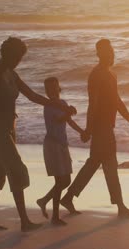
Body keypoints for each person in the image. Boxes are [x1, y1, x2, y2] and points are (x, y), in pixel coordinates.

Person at [0, 37, 76, 232]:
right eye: (18, 57)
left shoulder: (12, 74)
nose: (19, 61)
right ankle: (24, 222)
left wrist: (56, 103)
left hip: (9, 128)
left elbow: (32, 95)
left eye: (21, 58)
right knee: (17, 170)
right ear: (8, 54)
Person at [60, 39, 129, 219]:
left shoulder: (111, 74)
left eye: (112, 51)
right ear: (99, 54)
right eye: (107, 52)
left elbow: (117, 101)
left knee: (93, 163)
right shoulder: (96, 75)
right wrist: (88, 129)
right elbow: (93, 103)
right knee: (110, 164)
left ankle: (68, 197)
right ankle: (120, 206)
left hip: (106, 126)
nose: (112, 55)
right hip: (100, 127)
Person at [36, 77, 86, 226]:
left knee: (66, 180)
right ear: (46, 91)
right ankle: (55, 217)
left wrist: (82, 131)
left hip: (62, 145)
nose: (51, 91)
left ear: (59, 88)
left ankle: (44, 200)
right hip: (53, 145)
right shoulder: (49, 105)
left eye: (54, 87)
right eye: (48, 89)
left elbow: (68, 121)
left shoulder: (62, 103)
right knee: (60, 181)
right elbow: (59, 119)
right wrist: (69, 112)